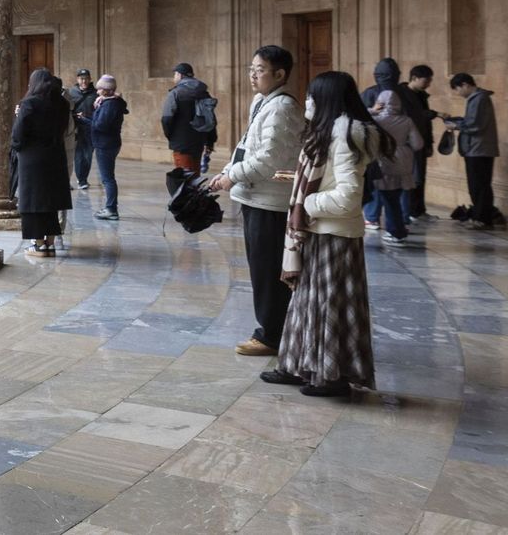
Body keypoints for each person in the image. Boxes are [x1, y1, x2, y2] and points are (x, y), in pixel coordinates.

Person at [262, 70, 389, 398]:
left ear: (326, 99)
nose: (307, 101)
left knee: (330, 306)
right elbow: (329, 178)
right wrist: (299, 181)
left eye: (311, 96)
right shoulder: (331, 132)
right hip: (320, 231)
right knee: (308, 302)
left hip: (335, 235)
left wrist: (306, 201)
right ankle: (300, 366)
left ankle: (332, 377)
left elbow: (349, 196)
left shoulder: (345, 134)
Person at [208, 45, 303, 358]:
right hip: (256, 197)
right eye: (251, 68)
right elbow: (247, 145)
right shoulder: (264, 102)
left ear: (279, 74)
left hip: (269, 202)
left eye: (259, 70)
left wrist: (231, 177)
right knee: (261, 268)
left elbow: (269, 158)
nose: (252, 75)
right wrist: (226, 171)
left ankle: (271, 335)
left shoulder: (282, 107)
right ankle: (272, 329)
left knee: (267, 271)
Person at [12, 67, 72, 256]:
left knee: (33, 203)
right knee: (51, 202)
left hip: (33, 159)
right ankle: (50, 244)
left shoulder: (30, 103)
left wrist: (18, 117)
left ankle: (37, 245)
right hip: (55, 156)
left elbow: (19, 134)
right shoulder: (62, 104)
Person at [444, 73, 501, 228]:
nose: (458, 93)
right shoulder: (478, 99)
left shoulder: (479, 99)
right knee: (478, 184)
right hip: (477, 148)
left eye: (457, 89)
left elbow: (476, 125)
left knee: (479, 185)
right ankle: (481, 217)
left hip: (479, 149)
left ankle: (481, 220)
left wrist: (455, 125)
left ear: (465, 85)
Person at [368, 90, 423, 246]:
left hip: (385, 161)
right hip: (404, 162)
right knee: (397, 198)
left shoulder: (376, 120)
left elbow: (358, 117)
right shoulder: (407, 121)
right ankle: (398, 228)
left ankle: (396, 232)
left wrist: (372, 109)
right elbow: (418, 144)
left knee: (389, 199)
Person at [161, 62, 217, 176]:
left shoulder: (175, 93)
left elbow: (166, 119)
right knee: (195, 178)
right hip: (198, 142)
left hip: (181, 144)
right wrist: (210, 141)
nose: (174, 78)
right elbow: (211, 119)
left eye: (175, 75)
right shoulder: (204, 93)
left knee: (184, 180)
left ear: (180, 75)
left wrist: (171, 136)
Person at [87, 74, 128, 220]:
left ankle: (111, 209)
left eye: (99, 89)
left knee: (107, 178)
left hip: (105, 144)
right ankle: (110, 207)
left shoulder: (110, 105)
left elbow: (101, 125)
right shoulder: (109, 103)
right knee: (108, 177)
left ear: (106, 90)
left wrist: (87, 121)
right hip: (109, 142)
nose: (97, 92)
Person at [403, 65, 438, 221]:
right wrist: (435, 114)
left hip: (421, 141)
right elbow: (414, 116)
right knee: (412, 177)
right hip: (408, 143)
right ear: (414, 78)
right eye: (426, 80)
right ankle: (410, 210)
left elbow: (426, 124)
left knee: (421, 177)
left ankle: (418, 210)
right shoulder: (403, 94)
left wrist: (429, 142)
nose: (428, 84)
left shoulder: (422, 95)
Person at [65, 69, 99, 190]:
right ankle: (75, 180)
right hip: (75, 129)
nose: (84, 81)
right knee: (76, 155)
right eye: (81, 78)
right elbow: (67, 109)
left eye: (86, 78)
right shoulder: (71, 92)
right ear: (77, 79)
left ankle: (83, 178)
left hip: (90, 128)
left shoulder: (95, 93)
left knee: (88, 155)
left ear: (90, 79)